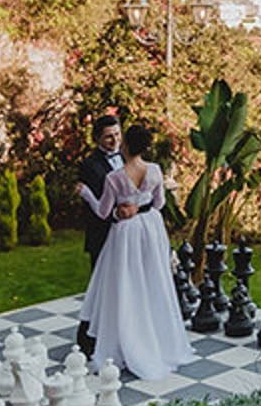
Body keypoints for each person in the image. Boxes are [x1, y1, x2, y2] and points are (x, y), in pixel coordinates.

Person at [78, 123, 192, 380]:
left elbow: (104, 212)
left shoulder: (114, 178)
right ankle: (157, 341)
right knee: (153, 282)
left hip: (127, 233)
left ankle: (124, 342)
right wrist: (141, 206)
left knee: (126, 286)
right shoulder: (154, 170)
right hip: (151, 229)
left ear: (126, 145)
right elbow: (160, 203)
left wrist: (87, 194)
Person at [73, 111, 123, 355]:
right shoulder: (89, 165)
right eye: (108, 137)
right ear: (97, 139)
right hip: (102, 234)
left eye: (117, 135)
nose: (114, 141)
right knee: (99, 290)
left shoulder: (128, 158)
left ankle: (117, 336)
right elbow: (99, 207)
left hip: (124, 234)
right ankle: (88, 340)